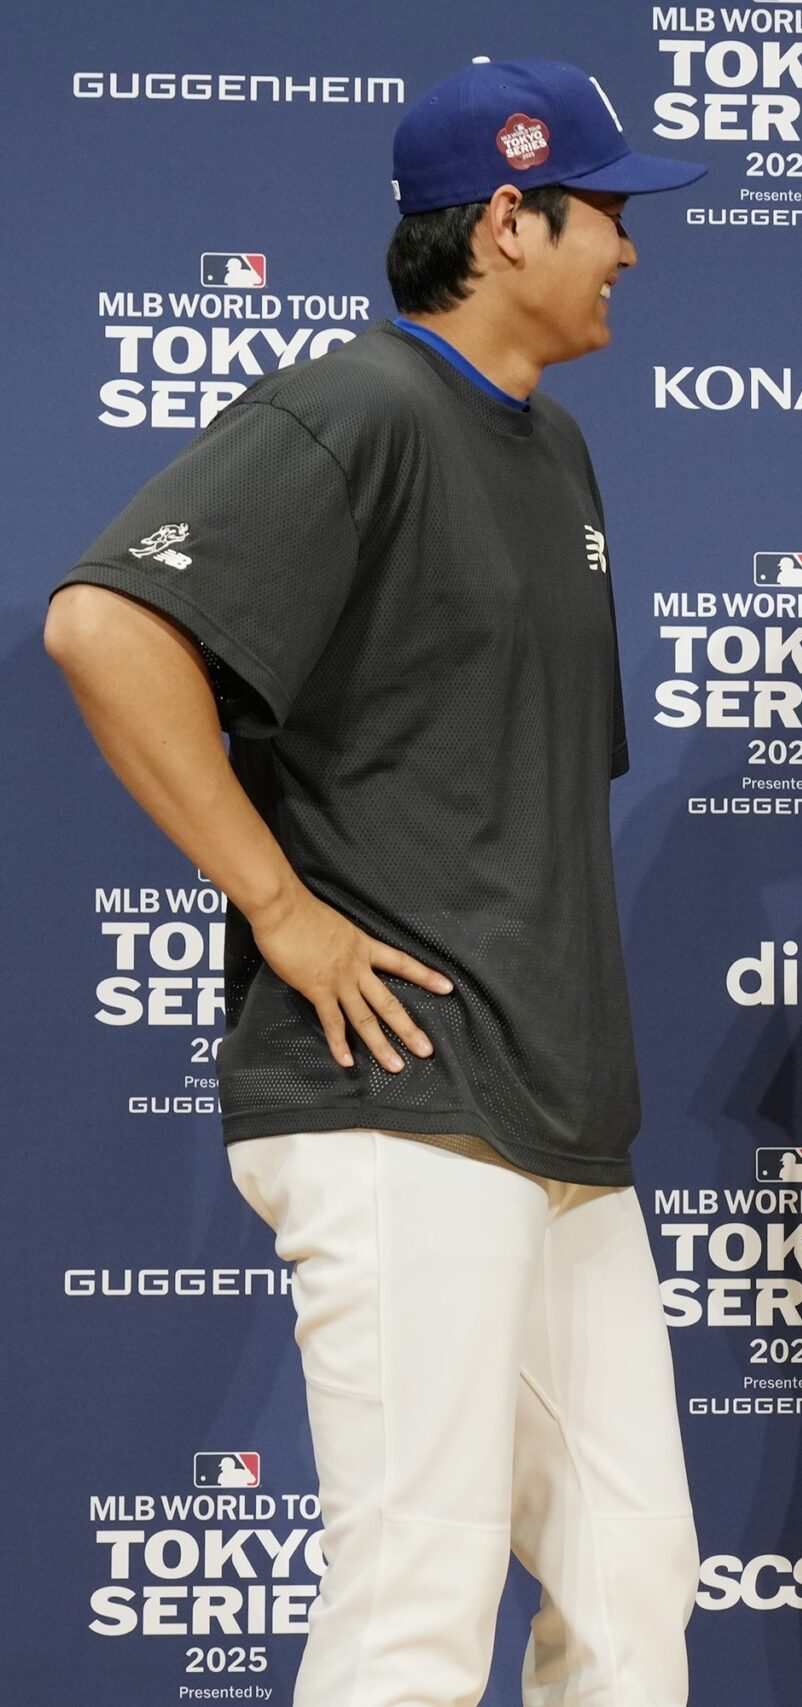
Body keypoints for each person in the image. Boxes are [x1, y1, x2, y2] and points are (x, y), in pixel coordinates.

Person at [45, 58, 706, 1707]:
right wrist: (277, 904)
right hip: (395, 1096)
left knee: (634, 1583)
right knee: (417, 1588)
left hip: (550, 1110)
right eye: (608, 212)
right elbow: (104, 626)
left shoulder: (550, 450)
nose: (632, 248)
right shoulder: (360, 405)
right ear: (508, 218)